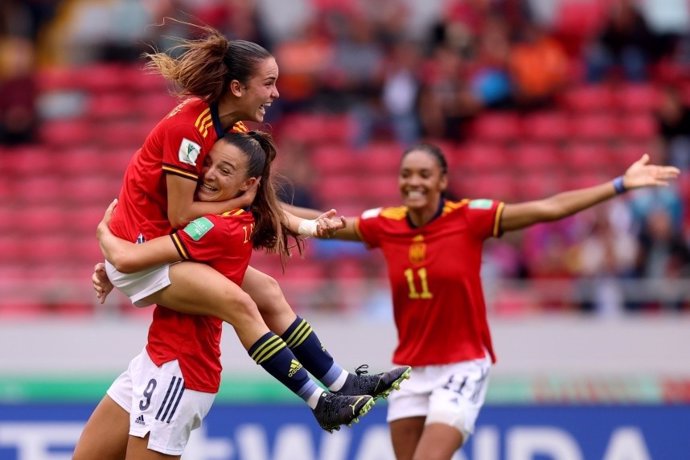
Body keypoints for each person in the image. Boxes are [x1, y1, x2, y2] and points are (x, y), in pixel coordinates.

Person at [89, 21, 410, 434]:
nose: (276, 93)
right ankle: (319, 402)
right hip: (146, 253)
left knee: (268, 292)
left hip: (160, 246)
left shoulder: (233, 134)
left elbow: (263, 205)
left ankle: (341, 382)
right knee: (240, 304)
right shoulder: (189, 128)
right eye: (269, 83)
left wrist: (312, 228)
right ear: (238, 88)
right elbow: (183, 215)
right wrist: (241, 202)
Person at [314, 143, 680, 460]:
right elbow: (323, 224)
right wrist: (268, 207)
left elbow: (548, 208)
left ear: (442, 181)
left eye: (424, 174)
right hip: (409, 369)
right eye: (406, 174)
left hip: (462, 365)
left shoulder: (470, 218)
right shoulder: (385, 223)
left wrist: (618, 185)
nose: (414, 182)